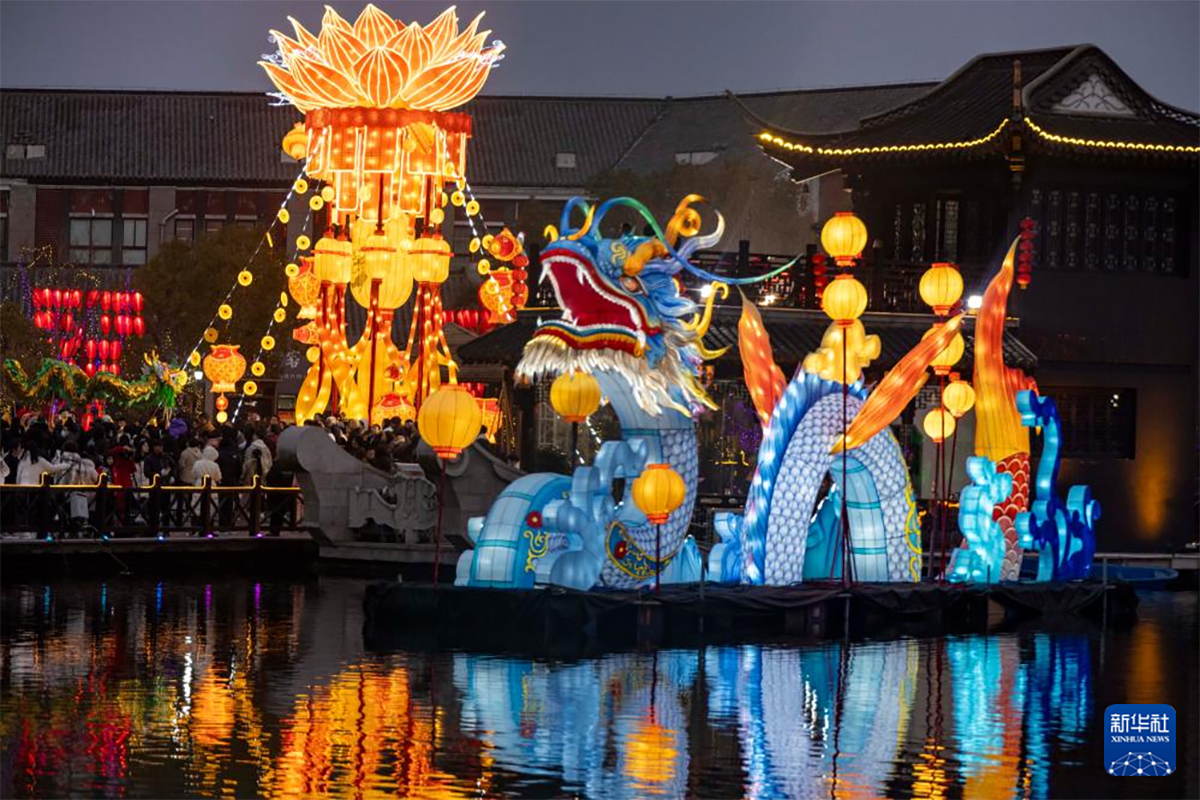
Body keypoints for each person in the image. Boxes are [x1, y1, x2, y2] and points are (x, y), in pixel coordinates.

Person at [54, 442, 98, 537]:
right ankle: (81, 530)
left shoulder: (59, 462)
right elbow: (97, 479)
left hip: (64, 497)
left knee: (62, 510)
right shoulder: (85, 464)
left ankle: (62, 532)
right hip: (82, 498)